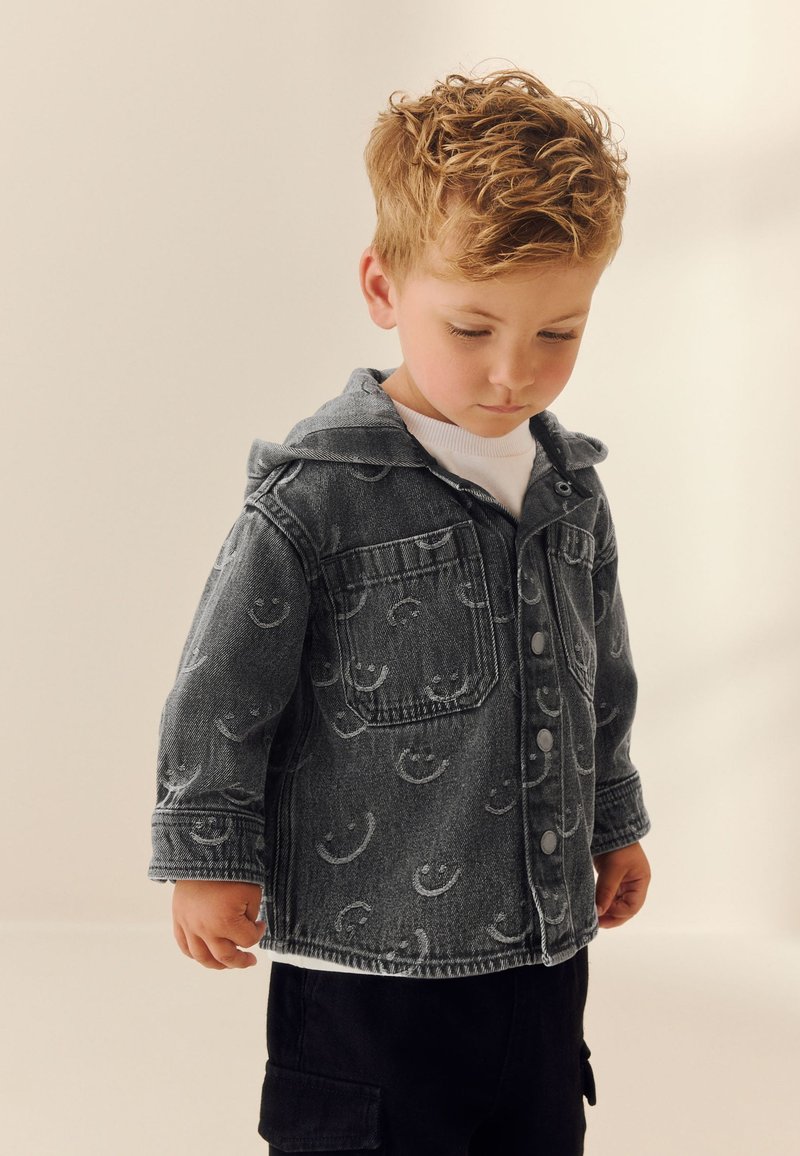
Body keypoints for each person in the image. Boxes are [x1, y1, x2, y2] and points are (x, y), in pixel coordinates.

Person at [148, 66, 652, 1155]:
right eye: (470, 329)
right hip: (368, 957)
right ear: (383, 288)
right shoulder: (317, 493)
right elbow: (224, 684)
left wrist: (613, 819)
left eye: (558, 334)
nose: (513, 373)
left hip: (541, 946)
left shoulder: (572, 489)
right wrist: (206, 853)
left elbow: (600, 677)